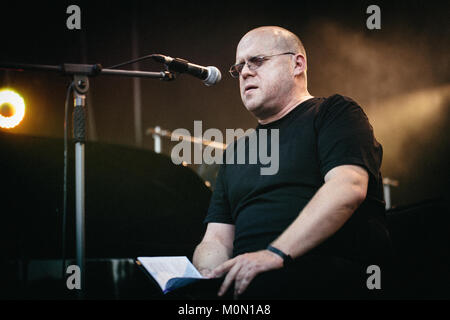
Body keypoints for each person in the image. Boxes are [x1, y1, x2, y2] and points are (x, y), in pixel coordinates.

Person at [192, 26, 393, 300]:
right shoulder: (236, 151)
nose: (246, 72)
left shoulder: (334, 113)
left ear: (297, 64)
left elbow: (348, 187)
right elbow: (215, 238)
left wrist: (274, 254)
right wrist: (209, 276)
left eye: (257, 61)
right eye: (239, 68)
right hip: (248, 288)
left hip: (320, 280)